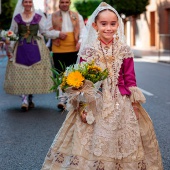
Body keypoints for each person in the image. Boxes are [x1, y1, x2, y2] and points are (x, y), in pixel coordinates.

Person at [41, 2, 163, 169]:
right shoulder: (89, 51)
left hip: (121, 102)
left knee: (122, 138)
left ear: (117, 25)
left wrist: (134, 104)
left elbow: (130, 79)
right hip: (95, 102)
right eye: (103, 24)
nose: (108, 28)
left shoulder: (124, 50)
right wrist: (83, 106)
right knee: (94, 138)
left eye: (113, 24)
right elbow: (81, 81)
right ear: (95, 25)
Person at [4, 0, 61, 111]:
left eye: (30, 2)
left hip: (36, 48)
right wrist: (9, 47)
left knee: (32, 73)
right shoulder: (17, 17)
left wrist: (58, 34)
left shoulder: (38, 17)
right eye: (26, 2)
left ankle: (29, 98)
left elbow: (44, 31)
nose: (28, 4)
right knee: (22, 73)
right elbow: (12, 32)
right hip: (21, 48)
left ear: (32, 4)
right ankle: (24, 99)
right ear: (22, 4)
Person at [46, 0, 85, 110]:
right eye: (62, 2)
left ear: (69, 3)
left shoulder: (77, 16)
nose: (64, 4)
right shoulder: (52, 16)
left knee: (72, 74)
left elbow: (83, 31)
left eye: (66, 2)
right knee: (60, 74)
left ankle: (71, 97)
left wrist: (80, 41)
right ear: (59, 4)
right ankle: (61, 98)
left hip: (73, 48)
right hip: (58, 48)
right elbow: (46, 31)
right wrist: (57, 34)